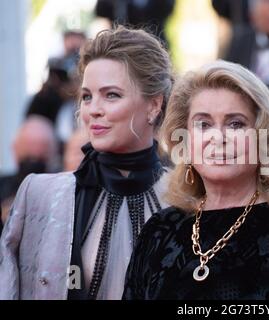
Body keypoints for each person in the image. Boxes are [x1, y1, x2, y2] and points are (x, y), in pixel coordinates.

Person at [0, 25, 173, 300]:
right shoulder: (39, 196)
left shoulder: (189, 199)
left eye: (112, 95)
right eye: (87, 96)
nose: (93, 110)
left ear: (154, 105)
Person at [123, 60, 269, 300]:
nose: (219, 138)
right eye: (203, 124)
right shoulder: (160, 230)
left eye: (236, 124)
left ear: (262, 135)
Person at [0, 115, 59, 225]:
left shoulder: (65, 190)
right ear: (15, 149)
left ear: (53, 152)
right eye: (28, 157)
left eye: (41, 157)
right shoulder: (2, 186)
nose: (35, 153)